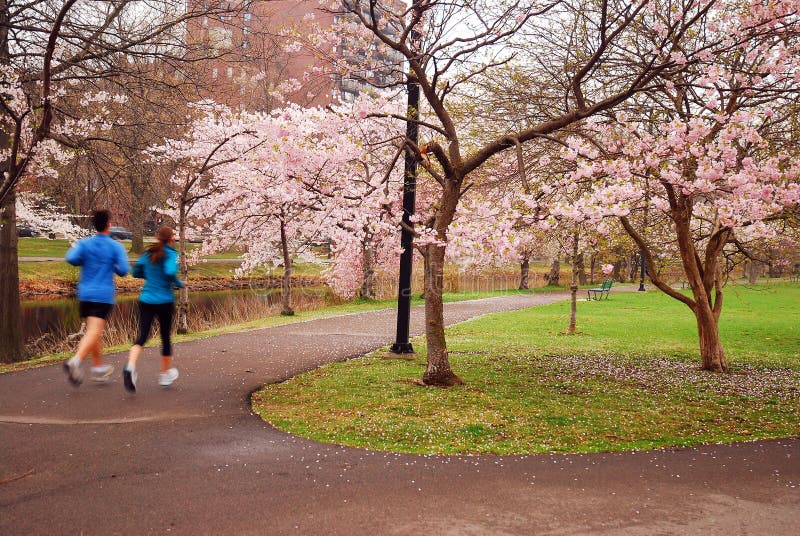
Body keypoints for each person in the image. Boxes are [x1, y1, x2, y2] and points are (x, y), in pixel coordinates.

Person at [63, 210, 130, 385]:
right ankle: (75, 361)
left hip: (85, 293)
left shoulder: (85, 244)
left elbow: (71, 258)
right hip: (103, 295)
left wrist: (82, 258)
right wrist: (111, 264)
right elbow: (123, 270)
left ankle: (99, 368)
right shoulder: (116, 246)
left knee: (93, 332)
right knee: (94, 331)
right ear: (108, 224)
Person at [123, 226, 184, 392]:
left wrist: (149, 276)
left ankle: (130, 366)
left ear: (158, 238)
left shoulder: (148, 253)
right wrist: (178, 283)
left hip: (147, 299)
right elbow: (170, 271)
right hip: (164, 301)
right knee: (165, 337)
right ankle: (164, 375)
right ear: (171, 239)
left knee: (142, 336)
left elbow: (135, 272)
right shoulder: (172, 255)